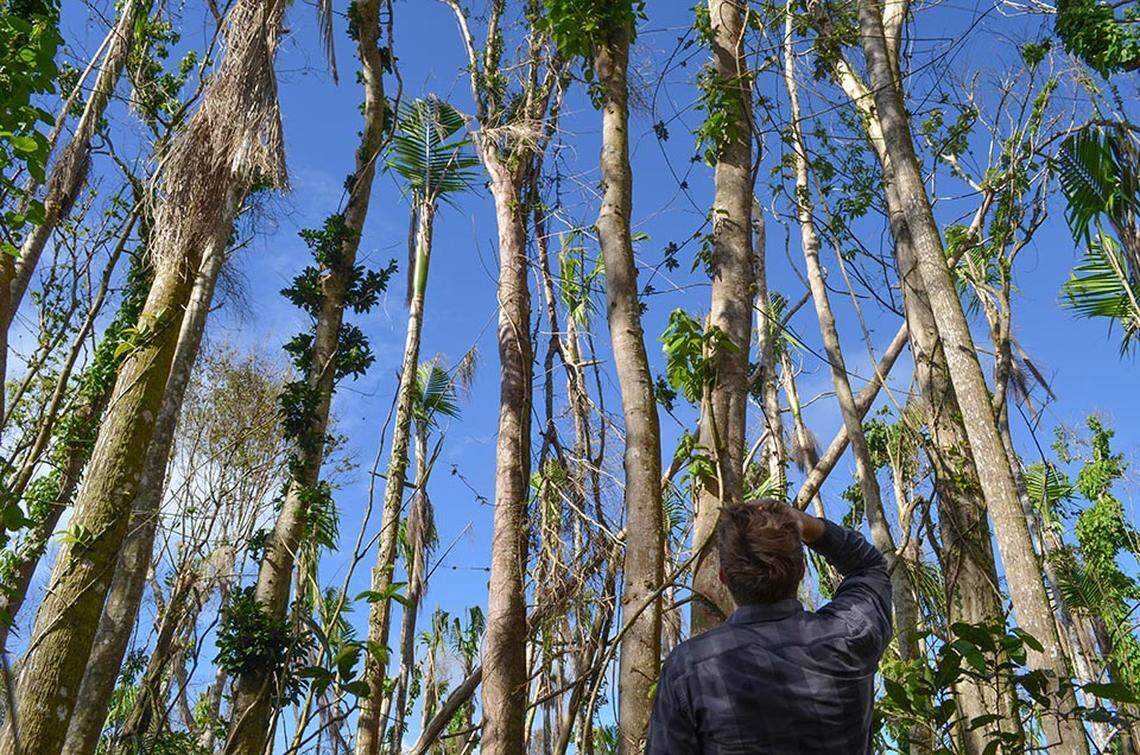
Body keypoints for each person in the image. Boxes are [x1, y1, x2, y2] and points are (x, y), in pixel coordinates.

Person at [647, 499, 892, 754]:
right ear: (802, 570)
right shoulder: (849, 636)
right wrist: (810, 526)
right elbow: (869, 566)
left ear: (723, 577)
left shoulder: (689, 668)